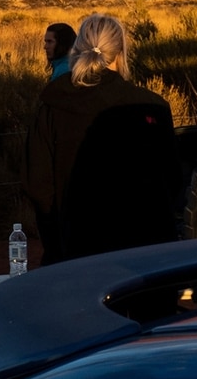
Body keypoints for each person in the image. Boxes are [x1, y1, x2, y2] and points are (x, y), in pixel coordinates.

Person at [24, 14, 182, 262]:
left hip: (76, 253)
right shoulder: (152, 107)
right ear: (120, 53)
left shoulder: (52, 105)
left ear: (77, 50)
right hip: (146, 257)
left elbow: (39, 187)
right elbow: (173, 183)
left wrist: (57, 245)